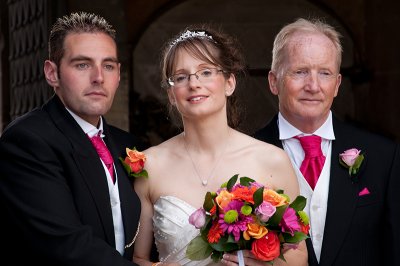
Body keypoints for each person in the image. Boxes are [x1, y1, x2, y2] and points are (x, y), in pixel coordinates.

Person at [132, 24, 307, 266]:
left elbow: (299, 257)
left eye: (206, 72)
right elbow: (138, 258)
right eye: (181, 77)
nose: (194, 83)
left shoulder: (272, 160)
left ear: (229, 83)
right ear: (172, 95)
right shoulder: (150, 165)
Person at [0, 12, 144, 266]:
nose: (98, 77)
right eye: (82, 64)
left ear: (119, 74)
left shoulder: (128, 145)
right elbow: (66, 246)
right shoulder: (26, 141)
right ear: (52, 73)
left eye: (108, 65)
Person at [254, 18, 400, 266]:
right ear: (273, 81)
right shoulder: (246, 155)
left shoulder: (384, 156)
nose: (313, 86)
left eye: (325, 73)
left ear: (337, 84)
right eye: (300, 72)